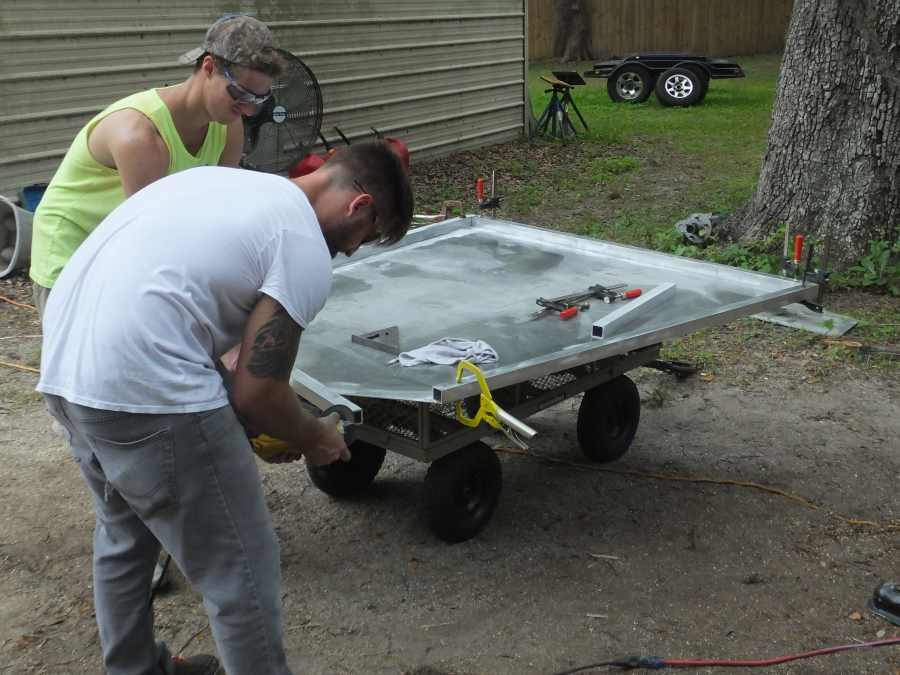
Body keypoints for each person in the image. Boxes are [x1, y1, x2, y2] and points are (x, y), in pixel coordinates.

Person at [37, 140, 414, 675]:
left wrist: (244, 423)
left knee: (125, 534)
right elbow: (259, 393)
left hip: (68, 375)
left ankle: (136, 669)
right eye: (365, 236)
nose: (353, 250)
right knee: (241, 566)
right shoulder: (302, 243)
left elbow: (185, 316)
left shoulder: (227, 184)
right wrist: (314, 436)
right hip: (148, 393)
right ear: (359, 207)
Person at [29, 14, 282, 317]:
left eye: (259, 99)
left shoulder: (229, 125)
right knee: (90, 357)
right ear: (209, 67)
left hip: (131, 246)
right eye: (239, 93)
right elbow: (151, 243)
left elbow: (219, 210)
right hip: (76, 251)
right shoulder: (140, 135)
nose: (248, 108)